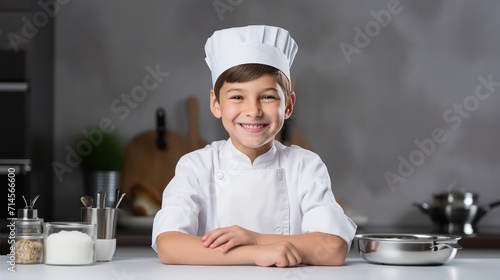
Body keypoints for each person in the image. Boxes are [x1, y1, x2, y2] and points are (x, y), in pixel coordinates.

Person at [152, 25, 357, 267]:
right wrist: (255, 253)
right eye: (237, 97)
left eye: (268, 96)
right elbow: (168, 245)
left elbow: (333, 248)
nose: (253, 111)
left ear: (289, 105)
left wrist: (256, 239)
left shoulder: (305, 166)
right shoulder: (196, 166)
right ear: (216, 104)